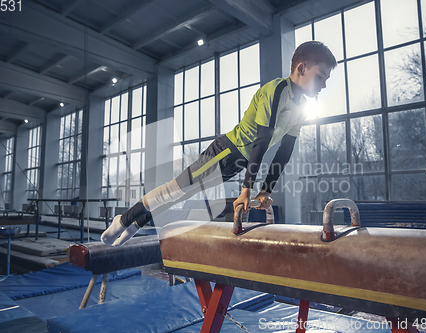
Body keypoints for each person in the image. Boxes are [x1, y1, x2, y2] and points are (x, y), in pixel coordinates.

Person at [101, 41, 337, 246]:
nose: (324, 85)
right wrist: (246, 190)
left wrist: (265, 190)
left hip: (238, 162)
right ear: (301, 68)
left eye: (326, 79)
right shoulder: (276, 90)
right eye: (320, 77)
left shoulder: (301, 109)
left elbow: (284, 153)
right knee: (174, 191)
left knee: (180, 196)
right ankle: (122, 220)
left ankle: (134, 226)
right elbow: (262, 141)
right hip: (225, 152)